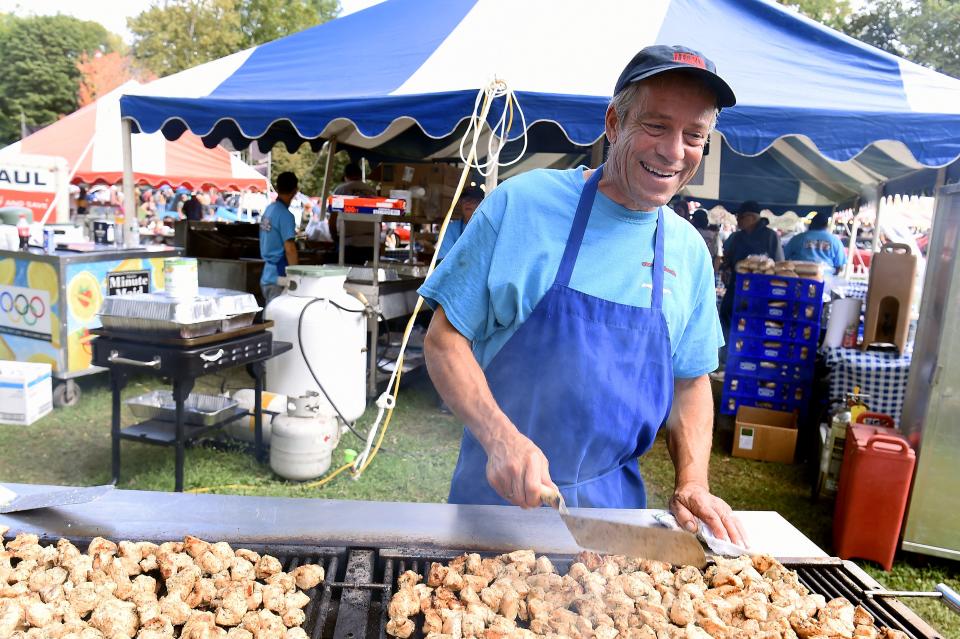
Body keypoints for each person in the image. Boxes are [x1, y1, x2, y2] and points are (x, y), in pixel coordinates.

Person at [419, 45, 745, 545]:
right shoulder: (521, 206)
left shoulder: (688, 252)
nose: (674, 151)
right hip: (495, 505)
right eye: (656, 126)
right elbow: (444, 341)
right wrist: (501, 438)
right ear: (615, 122)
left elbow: (690, 384)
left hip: (614, 520)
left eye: (694, 135)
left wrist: (693, 481)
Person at [718, 200, 784, 334]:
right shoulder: (736, 237)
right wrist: (725, 269)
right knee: (727, 323)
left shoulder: (770, 236)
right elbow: (726, 261)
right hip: (735, 290)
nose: (737, 220)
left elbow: (779, 266)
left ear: (752, 217)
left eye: (740, 217)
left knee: (753, 330)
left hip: (761, 292)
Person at [259, 172, 300, 305]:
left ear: (277, 188)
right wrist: (297, 277)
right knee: (277, 322)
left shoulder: (269, 210)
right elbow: (290, 249)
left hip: (267, 275)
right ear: (295, 191)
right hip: (278, 277)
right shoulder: (285, 215)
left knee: (270, 320)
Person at [330, 162, 379, 264]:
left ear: (346, 176)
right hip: (371, 243)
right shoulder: (372, 191)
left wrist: (335, 237)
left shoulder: (341, 190)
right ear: (361, 175)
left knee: (349, 276)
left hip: (348, 243)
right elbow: (378, 218)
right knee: (368, 276)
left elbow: (332, 218)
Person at [436, 185, 484, 261]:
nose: (468, 203)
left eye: (474, 200)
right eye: (465, 199)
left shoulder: (487, 229)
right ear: (460, 202)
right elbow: (445, 261)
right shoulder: (450, 229)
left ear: (482, 203)